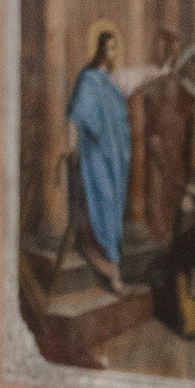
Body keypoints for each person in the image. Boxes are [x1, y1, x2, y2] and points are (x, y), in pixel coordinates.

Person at [66, 23, 130, 291]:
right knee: (102, 200)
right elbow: (76, 117)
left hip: (115, 157)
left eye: (115, 47)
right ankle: (112, 271)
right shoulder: (89, 79)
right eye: (107, 46)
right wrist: (71, 146)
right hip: (95, 156)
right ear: (99, 48)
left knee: (113, 206)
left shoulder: (112, 83)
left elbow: (119, 120)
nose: (111, 51)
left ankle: (111, 264)